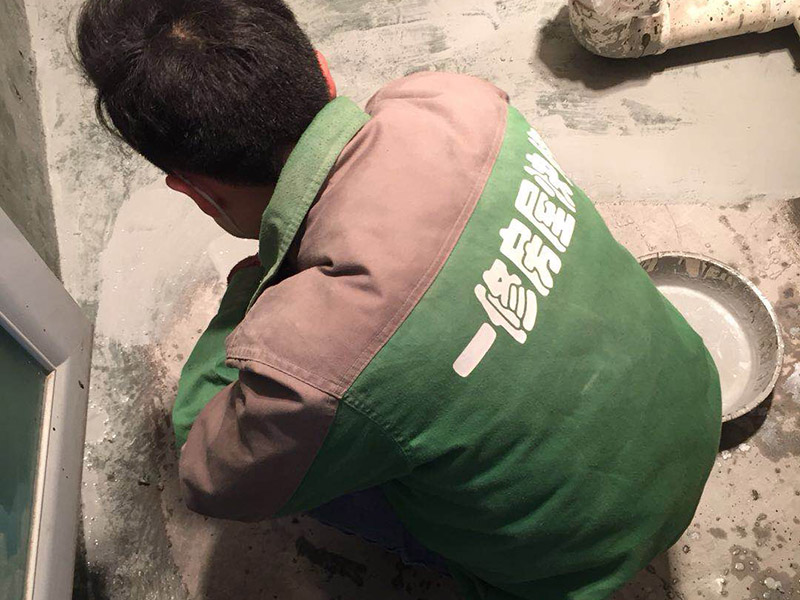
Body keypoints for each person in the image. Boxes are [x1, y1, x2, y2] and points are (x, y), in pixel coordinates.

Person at [75, 1, 722, 598]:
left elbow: (208, 472)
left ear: (195, 191)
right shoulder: (452, 99)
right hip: (697, 400)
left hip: (581, 560)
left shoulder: (309, 360)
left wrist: (257, 281)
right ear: (323, 68)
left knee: (314, 455)